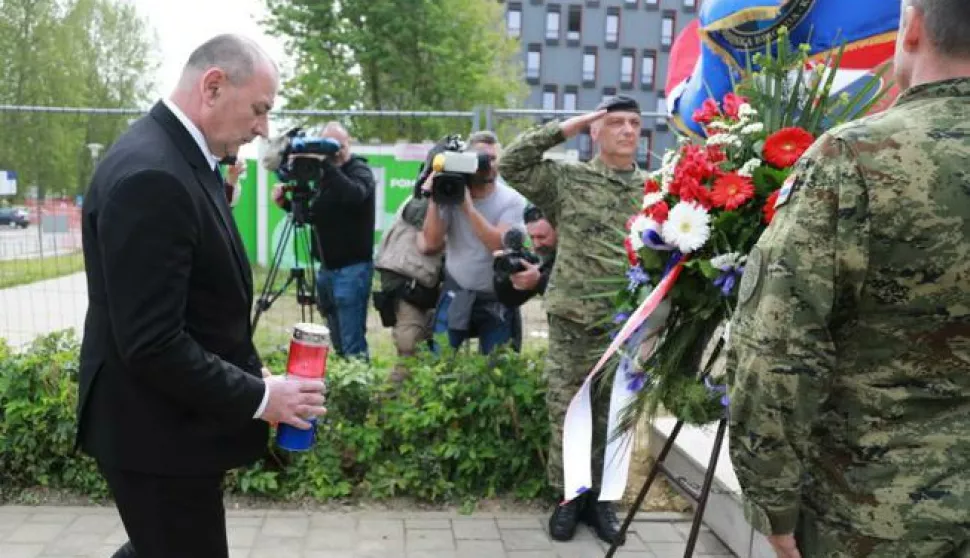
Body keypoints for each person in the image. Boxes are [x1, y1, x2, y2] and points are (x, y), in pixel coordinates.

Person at [727, 1, 970, 555]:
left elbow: (778, 345)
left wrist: (773, 505)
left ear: (912, 30)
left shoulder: (855, 157)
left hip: (873, 517)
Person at [75, 34, 327, 558]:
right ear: (213, 85)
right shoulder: (153, 174)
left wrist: (250, 377)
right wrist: (262, 398)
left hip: (168, 424)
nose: (263, 128)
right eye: (260, 109)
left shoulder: (180, 158)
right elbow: (153, 343)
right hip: (155, 436)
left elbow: (195, 304)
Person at [498, 95, 647, 545]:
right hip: (573, 319)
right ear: (596, 132)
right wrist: (569, 126)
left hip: (624, 322)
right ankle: (568, 497)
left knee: (612, 413)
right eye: (615, 122)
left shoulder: (655, 189)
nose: (626, 130)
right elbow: (511, 164)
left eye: (634, 123)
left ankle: (604, 502)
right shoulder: (568, 179)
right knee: (567, 411)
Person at [272, 122, 376, 361]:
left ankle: (358, 391)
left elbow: (354, 195)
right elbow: (316, 217)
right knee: (336, 340)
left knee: (352, 342)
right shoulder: (325, 177)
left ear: (347, 143)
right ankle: (343, 383)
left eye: (337, 146)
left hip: (352, 269)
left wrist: (326, 165)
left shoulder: (359, 170)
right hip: (326, 269)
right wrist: (287, 205)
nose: (333, 152)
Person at [419, 130, 528, 354]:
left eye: (493, 158)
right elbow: (431, 244)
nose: (487, 164)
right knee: (440, 363)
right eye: (480, 158)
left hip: (497, 296)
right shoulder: (451, 191)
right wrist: (435, 196)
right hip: (457, 291)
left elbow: (500, 245)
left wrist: (467, 208)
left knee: (497, 368)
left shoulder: (512, 199)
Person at [493, 204, 558, 351]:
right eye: (532, 237)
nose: (536, 244)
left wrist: (540, 282)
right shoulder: (545, 258)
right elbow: (509, 299)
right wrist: (505, 275)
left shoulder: (573, 257)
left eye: (542, 237)